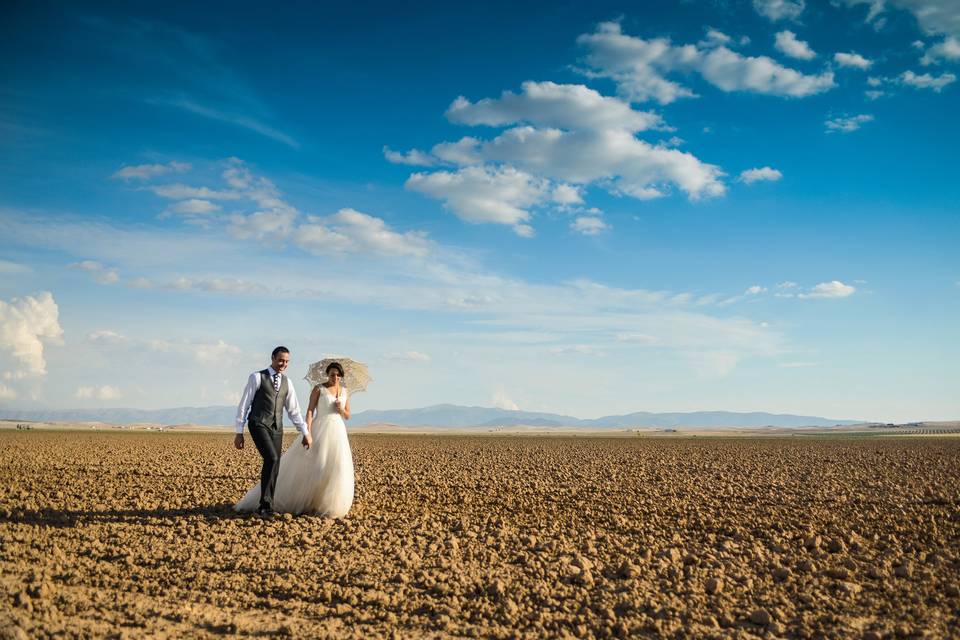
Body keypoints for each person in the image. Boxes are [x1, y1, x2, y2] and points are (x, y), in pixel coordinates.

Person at [235, 361, 355, 518]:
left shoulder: (344, 391)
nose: (336, 377)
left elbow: (347, 415)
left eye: (339, 375)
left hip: (338, 432)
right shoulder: (319, 389)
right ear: (328, 374)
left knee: (337, 467)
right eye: (333, 374)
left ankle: (330, 505)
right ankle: (303, 501)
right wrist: (308, 431)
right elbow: (310, 411)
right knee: (317, 466)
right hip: (321, 429)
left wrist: (340, 409)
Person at [233, 346, 312, 518]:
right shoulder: (257, 377)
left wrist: (305, 432)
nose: (283, 364)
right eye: (281, 360)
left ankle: (267, 503)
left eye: (287, 361)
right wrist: (239, 431)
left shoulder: (288, 383)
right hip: (258, 423)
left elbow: (294, 411)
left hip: (277, 428)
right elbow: (244, 405)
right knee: (272, 458)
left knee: (275, 465)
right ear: (273, 358)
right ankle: (265, 506)